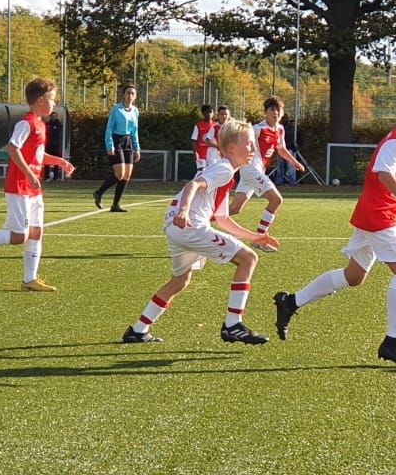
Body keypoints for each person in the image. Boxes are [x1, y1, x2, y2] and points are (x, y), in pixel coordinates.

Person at [272, 85, 396, 369]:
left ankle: (291, 302)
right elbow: (384, 173)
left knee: (354, 276)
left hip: (372, 214)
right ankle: (392, 342)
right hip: (379, 216)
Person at [122, 119, 279, 345]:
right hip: (190, 226)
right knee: (249, 258)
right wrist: (184, 211)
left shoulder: (225, 173)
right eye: (249, 143)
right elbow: (193, 185)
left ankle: (138, 330)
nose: (254, 148)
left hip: (176, 227)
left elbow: (223, 220)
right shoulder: (225, 169)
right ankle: (233, 324)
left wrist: (255, 237)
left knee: (180, 281)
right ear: (231, 148)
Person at [0, 79, 76, 291]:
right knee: (20, 236)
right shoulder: (26, 123)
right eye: (52, 99)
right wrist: (28, 173)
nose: (54, 104)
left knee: (36, 232)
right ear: (40, 100)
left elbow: (37, 155)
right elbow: (12, 148)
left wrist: (60, 162)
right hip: (19, 186)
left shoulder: (40, 124)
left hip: (33, 188)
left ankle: (29, 280)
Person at [229, 96, 306, 249]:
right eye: (271, 109)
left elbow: (281, 149)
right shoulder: (258, 129)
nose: (275, 112)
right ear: (266, 112)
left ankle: (201, 218)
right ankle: (260, 239)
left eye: (278, 109)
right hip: (251, 169)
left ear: (282, 112)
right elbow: (242, 139)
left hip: (255, 171)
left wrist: (295, 162)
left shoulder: (280, 129)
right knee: (276, 200)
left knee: (234, 209)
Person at [93, 84, 142, 212]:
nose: (130, 95)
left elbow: (134, 131)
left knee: (127, 175)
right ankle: (99, 192)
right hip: (117, 140)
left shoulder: (135, 111)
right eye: (128, 93)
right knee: (119, 174)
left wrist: (137, 148)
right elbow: (109, 128)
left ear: (135, 96)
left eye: (132, 93)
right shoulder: (116, 109)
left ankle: (116, 204)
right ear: (123, 95)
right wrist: (110, 145)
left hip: (128, 141)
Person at [190, 104, 216, 173]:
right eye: (207, 112)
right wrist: (195, 152)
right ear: (203, 113)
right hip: (201, 154)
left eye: (211, 112)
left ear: (213, 113)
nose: (209, 114)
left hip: (213, 154)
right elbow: (193, 140)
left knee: (212, 172)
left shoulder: (215, 125)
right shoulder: (198, 125)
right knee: (201, 172)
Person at [44, 110, 66, 181]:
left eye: (55, 116)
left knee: (56, 161)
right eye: (52, 116)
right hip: (48, 146)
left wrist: (51, 132)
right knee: (47, 161)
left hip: (56, 146)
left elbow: (56, 133)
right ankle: (46, 176)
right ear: (50, 117)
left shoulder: (59, 125)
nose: (54, 117)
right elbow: (46, 133)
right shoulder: (47, 124)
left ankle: (55, 177)